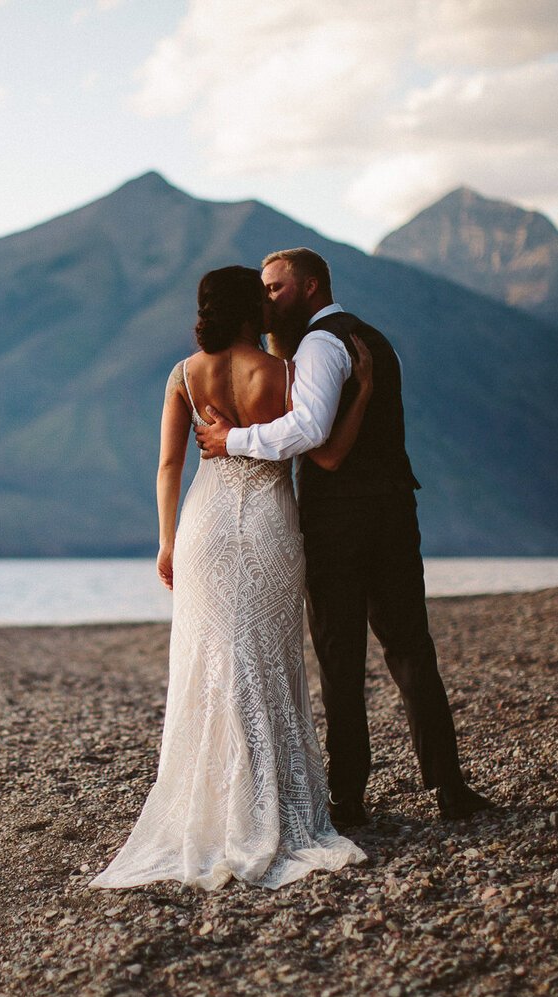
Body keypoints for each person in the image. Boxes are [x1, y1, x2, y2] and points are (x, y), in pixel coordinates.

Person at [90, 265, 370, 890]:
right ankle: (269, 802)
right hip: (269, 521)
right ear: (253, 309)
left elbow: (169, 463)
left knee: (210, 657)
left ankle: (214, 804)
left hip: (205, 525)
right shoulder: (283, 372)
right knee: (265, 657)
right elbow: (318, 448)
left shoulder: (184, 375)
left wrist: (165, 540)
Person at [195, 248, 495, 826]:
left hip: (338, 522)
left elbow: (309, 430)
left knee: (341, 659)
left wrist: (231, 441)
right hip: (394, 510)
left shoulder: (319, 346)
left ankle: (350, 798)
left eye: (275, 289)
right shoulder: (369, 338)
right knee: (410, 650)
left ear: (309, 287)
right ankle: (449, 787)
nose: (266, 300)